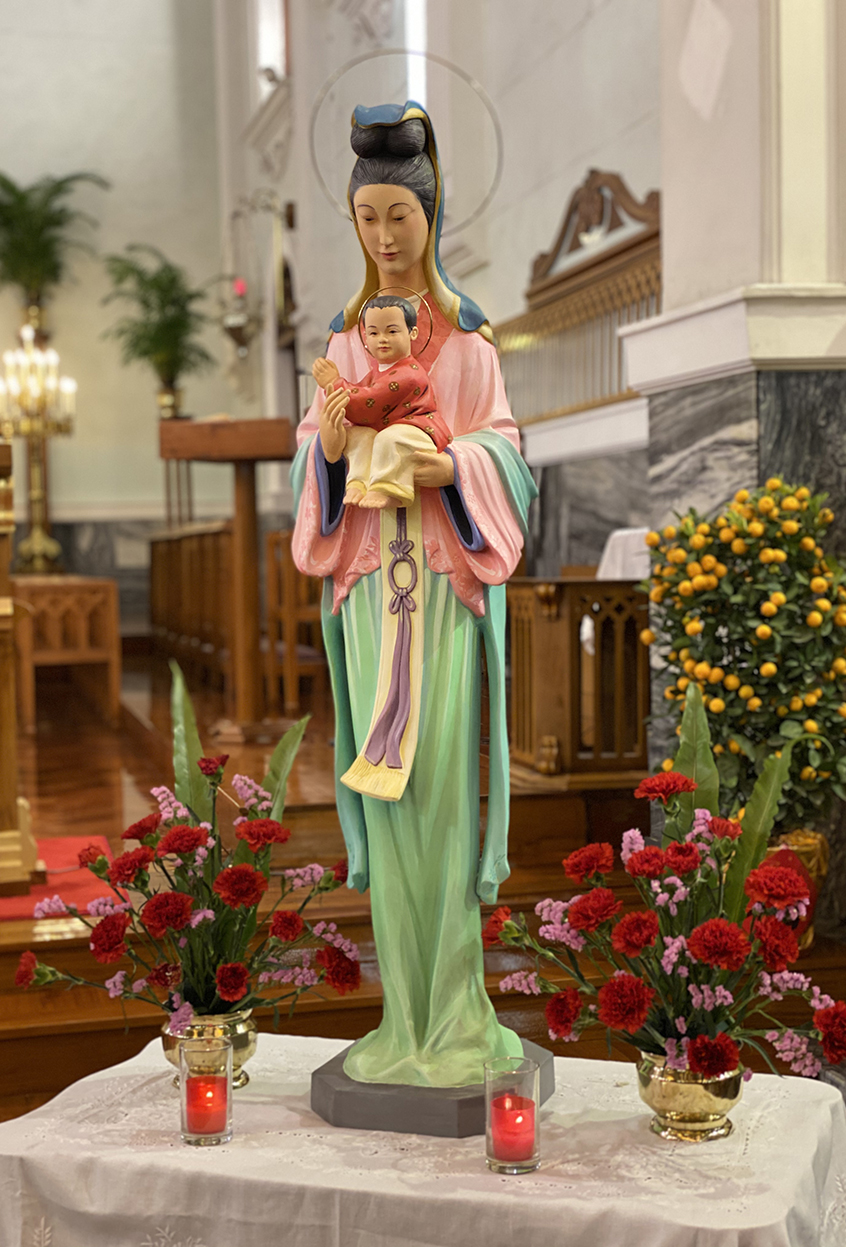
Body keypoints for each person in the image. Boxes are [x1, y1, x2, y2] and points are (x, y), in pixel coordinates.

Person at [292, 101, 537, 1089]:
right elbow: (308, 464)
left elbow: (506, 454)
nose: (385, 237)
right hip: (367, 597)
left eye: (400, 215)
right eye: (367, 218)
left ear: (430, 215)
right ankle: (404, 1019)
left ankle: (457, 1015)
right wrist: (327, 450)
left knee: (435, 791)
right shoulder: (344, 343)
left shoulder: (470, 346)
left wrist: (453, 468)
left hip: (438, 591)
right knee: (384, 796)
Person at [311, 295, 451, 510]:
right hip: (389, 428)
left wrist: (335, 383)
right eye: (374, 333)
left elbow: (369, 402)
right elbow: (362, 391)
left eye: (392, 331)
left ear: (412, 333)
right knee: (361, 436)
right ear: (365, 338)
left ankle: (389, 488)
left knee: (388, 438)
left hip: (418, 430)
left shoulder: (410, 374)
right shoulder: (377, 372)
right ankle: (359, 482)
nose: (382, 339)